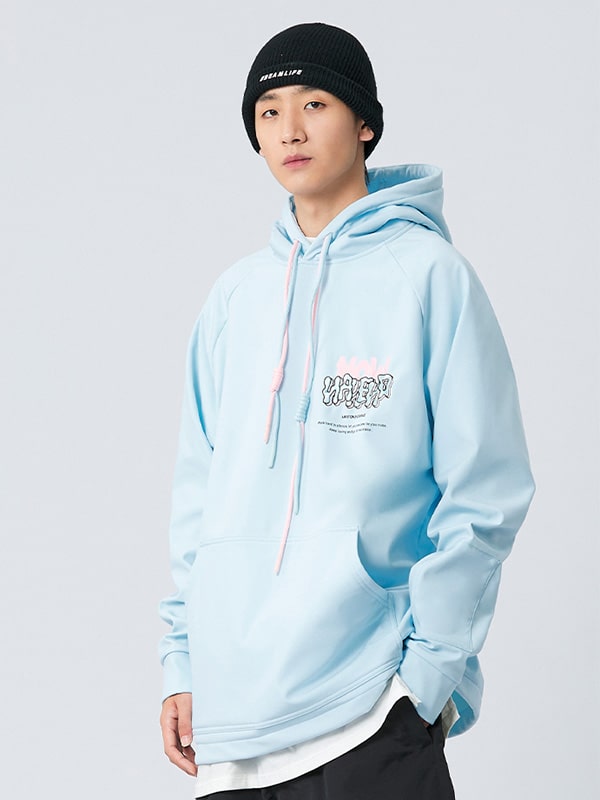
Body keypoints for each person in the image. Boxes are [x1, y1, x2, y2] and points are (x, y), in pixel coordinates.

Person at [158, 22, 535, 800]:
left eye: (315, 103)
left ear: (364, 122)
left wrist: (427, 673)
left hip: (371, 709)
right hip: (234, 720)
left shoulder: (430, 276)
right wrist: (182, 660)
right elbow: (199, 494)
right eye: (268, 112)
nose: (289, 130)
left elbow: (486, 489)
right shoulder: (235, 299)